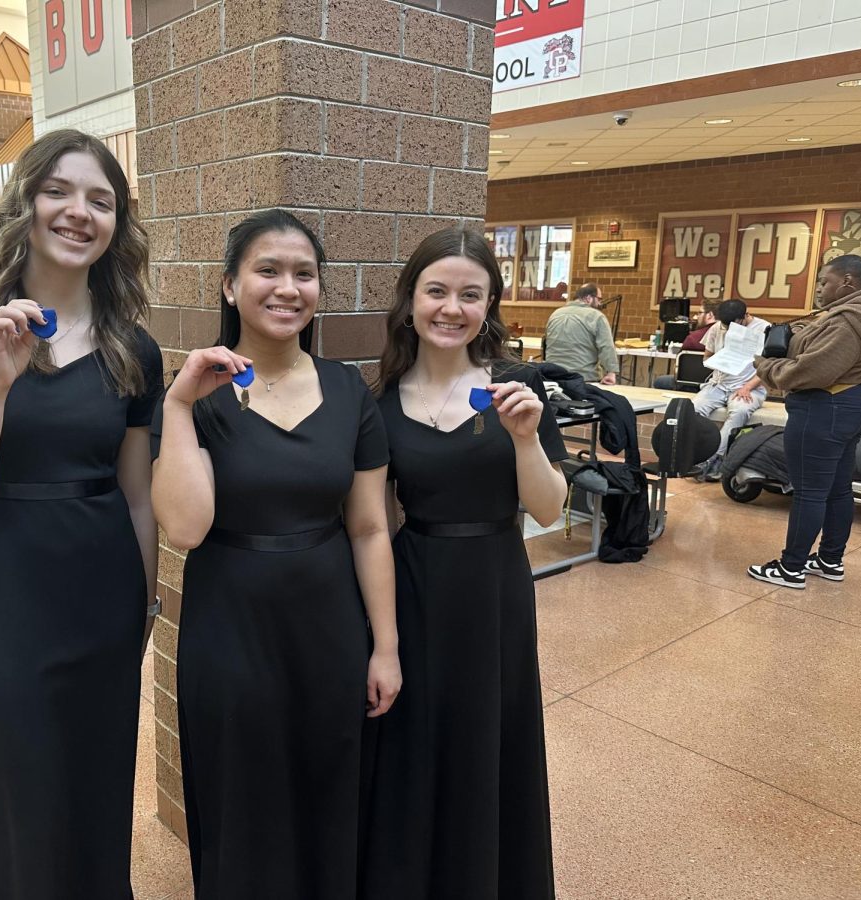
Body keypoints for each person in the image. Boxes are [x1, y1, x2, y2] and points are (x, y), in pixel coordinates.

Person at [0, 129, 163, 898]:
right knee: (11, 790)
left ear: (118, 223)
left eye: (101, 199)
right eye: (60, 191)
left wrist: (145, 604)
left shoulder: (132, 348)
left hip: (103, 594)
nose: (79, 212)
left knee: (92, 783)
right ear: (26, 202)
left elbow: (139, 494)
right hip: (0, 591)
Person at [150, 209, 401, 899]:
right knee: (243, 797)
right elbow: (185, 527)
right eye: (268, 270)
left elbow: (370, 528)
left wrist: (385, 646)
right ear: (229, 286)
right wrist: (176, 407)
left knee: (329, 787)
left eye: (304, 274)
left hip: (328, 624)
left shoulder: (349, 392)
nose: (287, 288)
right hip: (229, 624)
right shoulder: (194, 395)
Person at [360, 227, 566, 899]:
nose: (452, 309)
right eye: (437, 292)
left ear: (490, 306)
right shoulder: (382, 402)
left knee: (489, 736)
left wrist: (526, 440)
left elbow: (549, 509)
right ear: (411, 300)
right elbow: (373, 522)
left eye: (470, 296)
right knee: (417, 743)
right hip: (416, 581)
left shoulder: (516, 387)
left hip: (494, 586)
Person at [748, 255, 861, 588]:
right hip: (853, 403)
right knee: (838, 489)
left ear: (848, 281)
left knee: (810, 491)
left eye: (825, 281)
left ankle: (790, 567)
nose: (820, 289)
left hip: (826, 407)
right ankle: (829, 560)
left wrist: (765, 366)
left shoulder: (847, 322)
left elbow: (808, 371)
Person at [692, 299, 771, 481]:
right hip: (718, 383)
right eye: (725, 326)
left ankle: (715, 459)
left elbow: (768, 367)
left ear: (745, 316)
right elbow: (707, 357)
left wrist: (748, 387)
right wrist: (722, 358)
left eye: (733, 325)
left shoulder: (764, 329)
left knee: (739, 412)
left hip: (748, 386)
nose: (728, 330)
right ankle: (696, 455)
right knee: (694, 409)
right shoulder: (717, 328)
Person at [543, 282, 619, 384]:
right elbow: (606, 347)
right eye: (599, 299)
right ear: (588, 298)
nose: (600, 303)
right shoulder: (596, 316)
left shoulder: (555, 314)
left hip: (553, 377)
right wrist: (611, 373)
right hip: (584, 378)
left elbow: (546, 343)